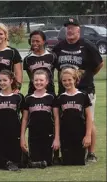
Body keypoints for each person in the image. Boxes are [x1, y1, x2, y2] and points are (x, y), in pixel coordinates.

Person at [52, 18, 103, 162]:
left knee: (89, 120)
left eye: (73, 28)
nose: (69, 30)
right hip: (65, 91)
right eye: (68, 28)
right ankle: (67, 149)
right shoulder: (59, 46)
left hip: (85, 89)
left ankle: (91, 153)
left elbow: (99, 64)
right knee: (67, 119)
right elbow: (55, 64)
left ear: (78, 30)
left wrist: (87, 76)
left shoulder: (87, 45)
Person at [20, 70, 60, 166]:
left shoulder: (52, 97)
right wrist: (22, 137)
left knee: (48, 162)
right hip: (33, 135)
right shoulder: (28, 98)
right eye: (36, 80)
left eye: (41, 80)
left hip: (48, 134)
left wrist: (57, 138)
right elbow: (25, 119)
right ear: (32, 81)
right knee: (34, 162)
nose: (38, 82)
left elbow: (56, 118)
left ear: (47, 82)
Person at [54, 68, 92, 165]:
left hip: (80, 133)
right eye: (64, 80)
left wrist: (88, 136)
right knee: (67, 162)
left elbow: (88, 117)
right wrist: (57, 138)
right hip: (65, 135)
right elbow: (57, 119)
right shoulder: (60, 97)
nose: (67, 82)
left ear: (75, 79)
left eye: (70, 80)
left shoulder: (83, 95)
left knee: (79, 162)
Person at [0, 70, 24, 165]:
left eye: (5, 80)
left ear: (11, 81)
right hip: (0, 131)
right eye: (0, 81)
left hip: (14, 131)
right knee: (1, 160)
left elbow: (24, 114)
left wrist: (19, 125)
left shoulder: (18, 97)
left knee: (17, 160)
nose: (2, 83)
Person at [23, 30, 57, 95]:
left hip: (50, 92)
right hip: (33, 92)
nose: (35, 43)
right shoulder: (27, 59)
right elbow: (31, 77)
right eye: (33, 41)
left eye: (37, 41)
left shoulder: (52, 56)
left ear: (44, 41)